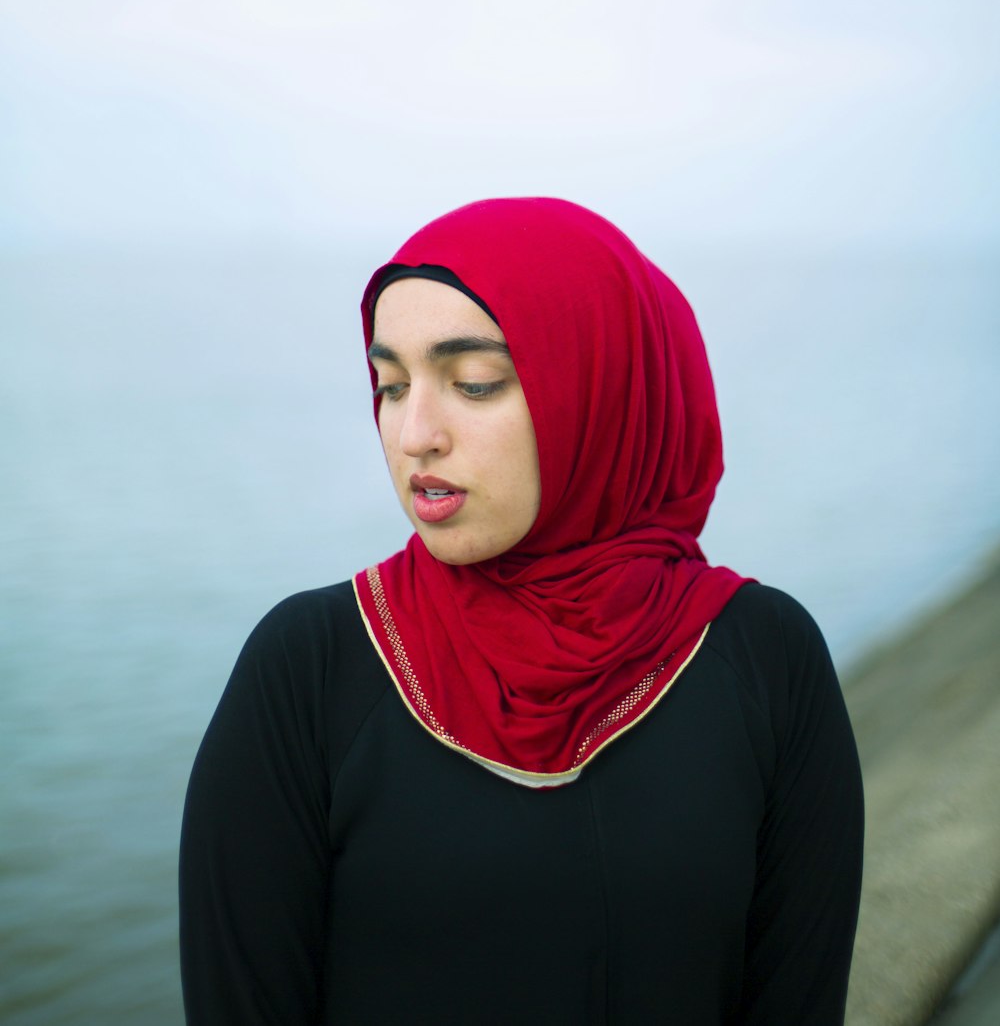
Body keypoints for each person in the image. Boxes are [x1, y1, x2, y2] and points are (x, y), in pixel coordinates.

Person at [179, 197, 864, 1025]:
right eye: (391, 385)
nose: (413, 434)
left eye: (473, 382)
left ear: (604, 390)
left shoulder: (764, 659)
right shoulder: (309, 666)